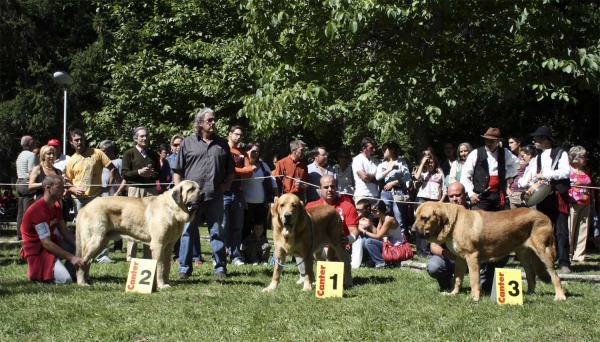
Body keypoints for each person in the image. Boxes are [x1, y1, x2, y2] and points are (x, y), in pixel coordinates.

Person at [173, 108, 234, 279]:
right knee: (187, 231)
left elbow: (230, 171)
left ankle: (220, 268)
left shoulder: (222, 144)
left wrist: (226, 185)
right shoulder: (187, 143)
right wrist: (180, 193)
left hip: (214, 195)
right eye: (210, 120)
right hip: (191, 199)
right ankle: (184, 269)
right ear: (200, 123)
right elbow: (177, 170)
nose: (214, 123)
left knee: (217, 231)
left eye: (214, 119)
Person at [426, 182, 505, 292]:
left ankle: (483, 284)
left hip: (478, 258)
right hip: (453, 258)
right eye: (451, 196)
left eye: (458, 195)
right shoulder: (441, 216)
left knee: (501, 254)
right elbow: (433, 246)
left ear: (465, 194)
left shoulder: (476, 211)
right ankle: (448, 285)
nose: (454, 199)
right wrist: (445, 253)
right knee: (434, 266)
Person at [520, 126, 571, 273]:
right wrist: (530, 180)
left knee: (561, 230)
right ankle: (546, 260)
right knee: (544, 230)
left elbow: (566, 172)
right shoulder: (537, 157)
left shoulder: (561, 153)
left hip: (558, 194)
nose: (533, 141)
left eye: (536, 138)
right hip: (544, 196)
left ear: (545, 139)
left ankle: (564, 262)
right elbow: (530, 176)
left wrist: (548, 174)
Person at [19, 174, 86, 283]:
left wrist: (80, 245)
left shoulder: (56, 205)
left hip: (50, 242)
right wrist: (72, 258)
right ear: (48, 188)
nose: (63, 190)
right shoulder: (38, 211)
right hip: (37, 249)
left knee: (78, 245)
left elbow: (64, 230)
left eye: (64, 187)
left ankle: (72, 272)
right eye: (59, 187)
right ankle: (37, 275)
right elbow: (46, 243)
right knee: (65, 280)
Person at [65, 129, 117, 264]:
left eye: (81, 139)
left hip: (95, 198)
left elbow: (112, 168)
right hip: (78, 200)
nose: (79, 142)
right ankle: (84, 254)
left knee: (101, 226)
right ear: (71, 143)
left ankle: (102, 256)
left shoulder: (97, 153)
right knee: (82, 228)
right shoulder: (71, 161)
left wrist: (109, 187)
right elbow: (67, 182)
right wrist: (74, 190)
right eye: (76, 140)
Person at [121, 126, 160, 261]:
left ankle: (148, 255)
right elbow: (124, 173)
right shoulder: (129, 153)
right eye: (142, 136)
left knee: (151, 221)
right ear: (135, 139)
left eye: (146, 136)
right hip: (134, 189)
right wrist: (138, 172)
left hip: (151, 190)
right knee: (133, 220)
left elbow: (158, 173)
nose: (145, 138)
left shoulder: (154, 155)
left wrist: (151, 173)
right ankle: (131, 256)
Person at [460, 127, 519, 212]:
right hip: (480, 197)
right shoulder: (476, 153)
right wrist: (471, 193)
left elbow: (516, 164)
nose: (488, 143)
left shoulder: (504, 153)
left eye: (492, 141)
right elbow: (465, 175)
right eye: (487, 140)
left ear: (498, 141)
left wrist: (505, 174)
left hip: (499, 196)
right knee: (477, 221)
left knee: (502, 221)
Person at [224, 125, 254, 265]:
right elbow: (220, 169)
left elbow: (249, 172)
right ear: (230, 134)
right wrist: (238, 170)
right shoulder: (223, 149)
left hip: (238, 193)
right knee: (223, 226)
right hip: (223, 192)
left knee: (237, 226)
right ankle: (220, 254)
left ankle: (236, 255)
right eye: (236, 134)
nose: (239, 137)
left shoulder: (243, 153)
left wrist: (233, 170)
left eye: (241, 135)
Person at [242, 141, 278, 241]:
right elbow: (240, 185)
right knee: (246, 227)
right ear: (247, 151)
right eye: (253, 151)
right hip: (247, 203)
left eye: (258, 152)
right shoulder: (243, 165)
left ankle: (261, 249)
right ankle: (246, 250)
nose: (256, 154)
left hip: (262, 203)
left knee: (261, 228)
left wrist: (276, 195)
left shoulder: (263, 165)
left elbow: (273, 180)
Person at [414, 149, 447, 257]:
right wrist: (423, 163)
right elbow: (416, 177)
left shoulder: (439, 173)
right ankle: (421, 251)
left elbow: (444, 189)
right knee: (420, 226)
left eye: (431, 162)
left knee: (431, 227)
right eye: (428, 163)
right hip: (422, 200)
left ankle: (428, 250)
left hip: (435, 201)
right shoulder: (423, 174)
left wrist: (440, 202)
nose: (430, 165)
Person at [375, 141, 411, 234]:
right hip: (385, 193)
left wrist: (394, 182)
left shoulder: (401, 162)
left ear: (392, 150)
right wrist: (389, 169)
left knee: (399, 219)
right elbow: (378, 177)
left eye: (385, 149)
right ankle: (386, 240)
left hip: (398, 192)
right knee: (384, 217)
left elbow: (407, 176)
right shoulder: (382, 164)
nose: (383, 151)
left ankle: (402, 243)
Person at [567, 146, 595, 264]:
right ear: (574, 158)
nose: (585, 159)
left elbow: (591, 186)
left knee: (583, 229)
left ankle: (579, 255)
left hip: (586, 203)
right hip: (572, 203)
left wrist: (593, 201)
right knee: (570, 229)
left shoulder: (587, 170)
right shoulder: (568, 169)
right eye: (583, 157)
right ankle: (568, 254)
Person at [358, 200, 403, 268]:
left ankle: (381, 263)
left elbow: (378, 237)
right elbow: (377, 233)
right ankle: (369, 261)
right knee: (363, 240)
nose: (371, 213)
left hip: (394, 246)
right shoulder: (381, 219)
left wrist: (363, 231)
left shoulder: (389, 220)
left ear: (378, 211)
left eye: (373, 211)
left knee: (369, 242)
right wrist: (370, 224)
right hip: (387, 243)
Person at [15, 135, 39, 240]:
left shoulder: (20, 155)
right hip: (27, 183)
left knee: (20, 211)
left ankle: (19, 234)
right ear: (26, 144)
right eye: (32, 141)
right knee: (28, 211)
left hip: (19, 182)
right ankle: (26, 234)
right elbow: (31, 172)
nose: (34, 143)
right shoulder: (31, 155)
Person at [352, 137, 380, 204]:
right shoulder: (357, 159)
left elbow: (381, 178)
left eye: (374, 147)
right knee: (362, 215)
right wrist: (376, 176)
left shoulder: (376, 161)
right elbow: (364, 177)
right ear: (364, 149)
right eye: (371, 148)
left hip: (375, 195)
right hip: (362, 195)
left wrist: (369, 177)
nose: (374, 150)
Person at [507, 142, 530, 209]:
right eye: (509, 143)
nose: (509, 145)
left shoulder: (526, 155)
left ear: (519, 143)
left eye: (511, 142)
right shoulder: (511, 157)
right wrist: (507, 188)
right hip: (513, 192)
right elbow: (509, 174)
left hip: (524, 192)